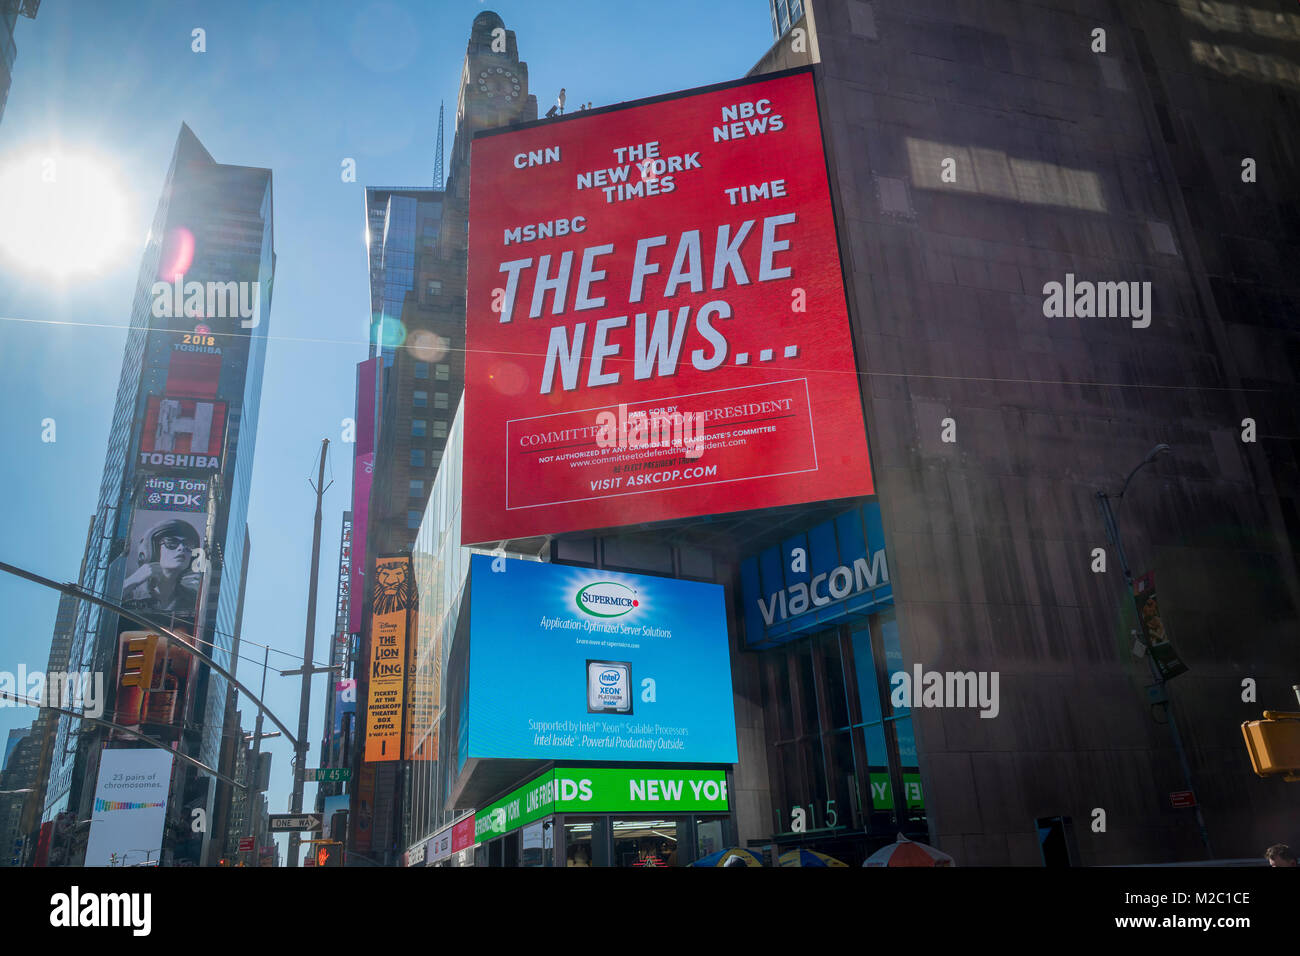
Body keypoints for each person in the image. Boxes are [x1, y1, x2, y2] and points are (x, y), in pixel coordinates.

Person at [122, 519, 201, 614]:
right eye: (171, 542)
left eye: (188, 544)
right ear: (153, 550)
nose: (181, 548)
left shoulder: (192, 598)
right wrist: (133, 580)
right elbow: (105, 604)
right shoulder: (130, 592)